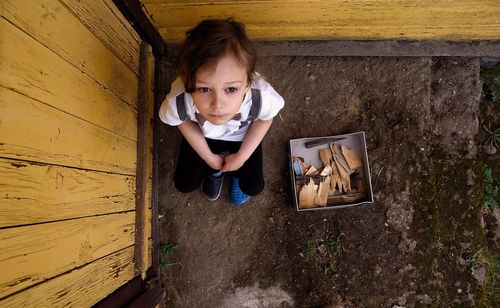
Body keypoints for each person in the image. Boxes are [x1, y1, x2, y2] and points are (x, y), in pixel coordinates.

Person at [159, 18, 285, 206]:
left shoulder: (261, 97)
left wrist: (241, 157)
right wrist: (208, 157)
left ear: (248, 84)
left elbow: (265, 120)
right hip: (202, 133)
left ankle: (234, 170)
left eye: (231, 90)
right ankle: (216, 170)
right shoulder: (178, 102)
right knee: (184, 185)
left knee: (253, 187)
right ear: (188, 82)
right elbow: (181, 121)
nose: (218, 105)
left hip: (242, 136)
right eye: (204, 89)